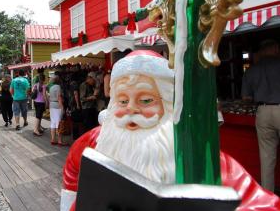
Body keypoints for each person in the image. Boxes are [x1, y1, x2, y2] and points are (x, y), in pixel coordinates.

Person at [60, 50, 280, 211]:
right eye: (123, 100)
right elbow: (72, 185)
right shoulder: (97, 142)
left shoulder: (197, 155)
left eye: (146, 100)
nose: (131, 109)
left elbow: (261, 204)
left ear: (167, 105)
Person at [242, 39, 280, 192]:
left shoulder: (251, 70)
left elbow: (245, 99)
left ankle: (268, 195)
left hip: (263, 112)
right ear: (274, 48)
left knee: (266, 159)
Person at [49, 75, 66, 145]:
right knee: (58, 123)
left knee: (53, 123)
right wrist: (62, 107)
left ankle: (53, 139)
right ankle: (59, 140)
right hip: (57, 105)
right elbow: (59, 97)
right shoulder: (58, 87)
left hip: (52, 105)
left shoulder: (51, 87)